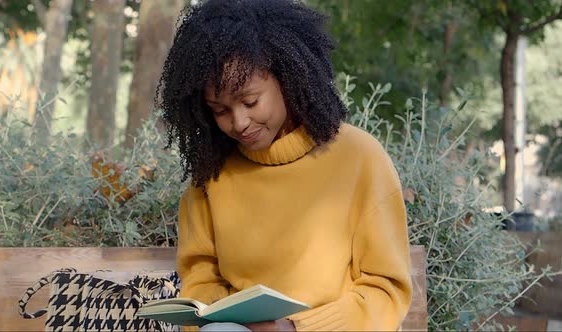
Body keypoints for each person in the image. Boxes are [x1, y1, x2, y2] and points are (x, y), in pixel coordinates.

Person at [156, 0, 412, 330]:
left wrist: (294, 328)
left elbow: (384, 289)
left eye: (250, 101)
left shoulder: (360, 158)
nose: (239, 122)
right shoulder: (212, 177)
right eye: (220, 111)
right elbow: (200, 278)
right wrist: (232, 318)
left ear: (288, 77)